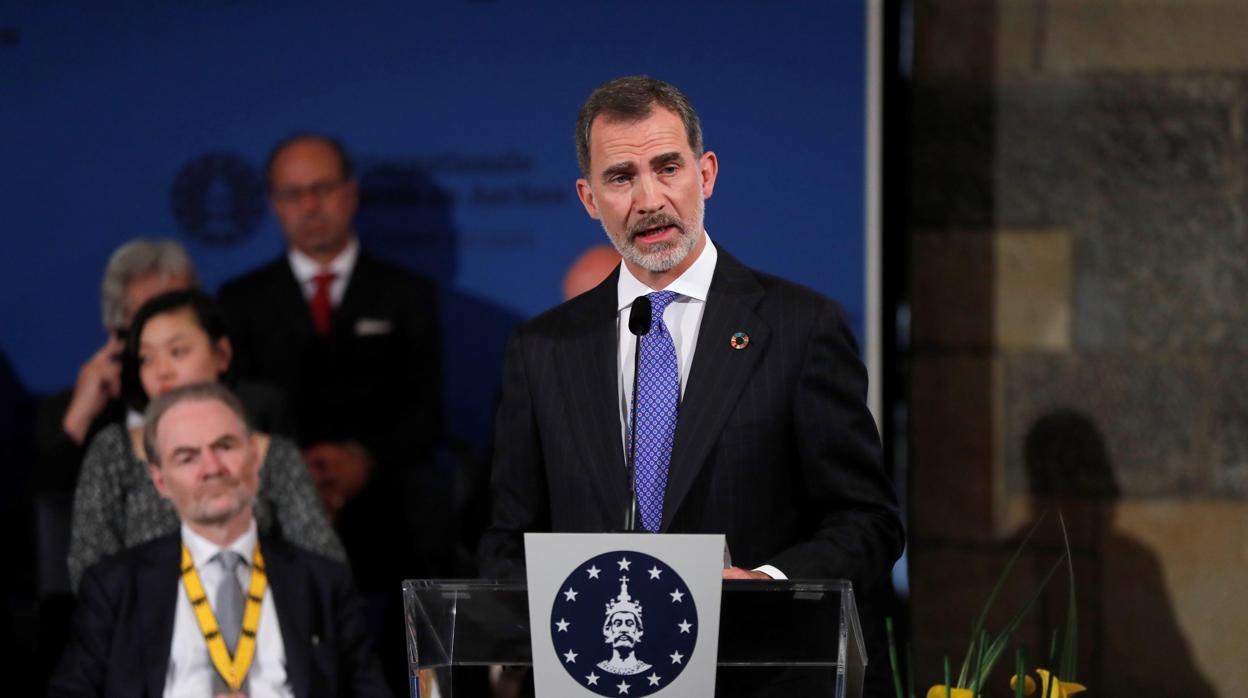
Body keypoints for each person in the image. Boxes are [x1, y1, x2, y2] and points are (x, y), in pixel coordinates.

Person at [477, 76, 902, 688]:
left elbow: (867, 521)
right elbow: (508, 536)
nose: (648, 199)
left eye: (667, 167)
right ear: (589, 198)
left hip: (755, 674)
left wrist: (769, 585)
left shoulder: (799, 328)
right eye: (620, 177)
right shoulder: (542, 348)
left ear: (705, 175)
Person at [218, 133, 444, 694]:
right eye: (293, 194)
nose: (309, 206)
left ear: (350, 194)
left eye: (321, 189)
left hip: (386, 508)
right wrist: (297, 476)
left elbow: (426, 411)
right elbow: (232, 419)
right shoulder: (239, 299)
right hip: (273, 512)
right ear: (274, 204)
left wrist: (362, 461)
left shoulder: (405, 292)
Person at [50, 382, 391, 697]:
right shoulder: (115, 586)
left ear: (256, 459)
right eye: (187, 457)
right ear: (160, 481)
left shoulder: (323, 581)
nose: (212, 467)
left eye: (224, 446)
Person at [67, 289, 343, 591]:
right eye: (146, 358)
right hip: (146, 630)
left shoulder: (274, 453)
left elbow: (326, 569)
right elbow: (89, 573)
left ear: (221, 355)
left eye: (178, 352)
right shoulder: (113, 450)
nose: (161, 372)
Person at [34, 239, 198, 495]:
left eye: (179, 310)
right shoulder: (81, 415)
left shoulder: (250, 403)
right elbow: (50, 503)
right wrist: (80, 417)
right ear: (117, 330)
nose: (168, 329)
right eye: (151, 316)